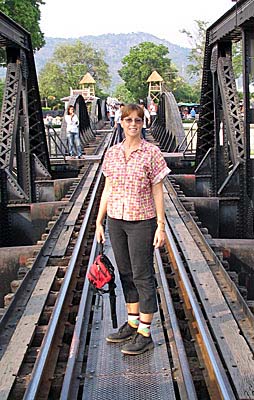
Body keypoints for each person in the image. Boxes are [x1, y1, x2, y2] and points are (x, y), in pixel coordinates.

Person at [96, 104, 170, 356]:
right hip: (116, 220)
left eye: (137, 120)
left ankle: (145, 333)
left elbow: (157, 190)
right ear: (121, 122)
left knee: (142, 274)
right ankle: (132, 323)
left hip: (142, 220)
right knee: (125, 272)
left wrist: (161, 225)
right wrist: (98, 221)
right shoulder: (112, 153)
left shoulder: (152, 153)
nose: (133, 124)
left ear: (143, 123)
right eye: (128, 120)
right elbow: (107, 188)